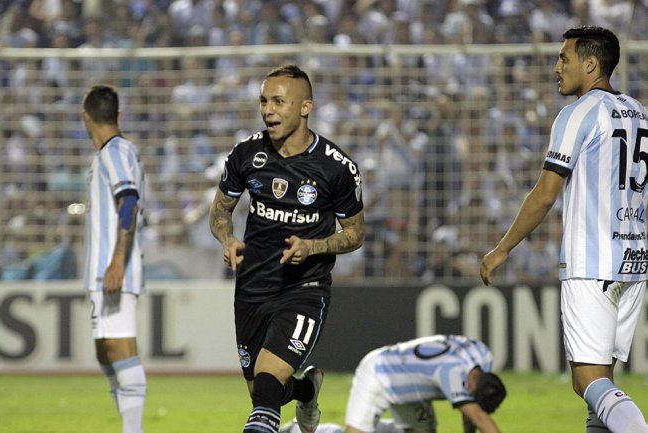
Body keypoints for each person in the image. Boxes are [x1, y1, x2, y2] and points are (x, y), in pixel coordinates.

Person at [481, 26, 648, 433]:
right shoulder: (640, 112)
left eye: (564, 58)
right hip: (633, 263)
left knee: (587, 381)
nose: (556, 67)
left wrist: (501, 249)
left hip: (591, 264)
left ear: (591, 64)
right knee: (602, 389)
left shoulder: (578, 113)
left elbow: (545, 193)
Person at [210, 64, 365, 433]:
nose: (268, 110)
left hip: (303, 289)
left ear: (305, 107)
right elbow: (220, 211)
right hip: (251, 288)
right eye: (264, 100)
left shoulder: (336, 167)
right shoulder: (246, 153)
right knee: (263, 391)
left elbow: (355, 232)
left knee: (265, 391)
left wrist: (313, 247)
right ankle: (307, 390)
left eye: (279, 101)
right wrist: (227, 238)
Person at [82, 84, 146, 433]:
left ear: (85, 117)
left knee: (119, 349)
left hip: (115, 270)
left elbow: (130, 202)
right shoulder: (113, 152)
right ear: (118, 115)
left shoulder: (116, 152)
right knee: (105, 352)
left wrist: (118, 260)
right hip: (104, 272)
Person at [280, 335, 506, 433]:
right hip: (380, 373)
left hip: (413, 380)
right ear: (472, 384)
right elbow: (476, 416)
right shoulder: (449, 374)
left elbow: (472, 412)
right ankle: (296, 431)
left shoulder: (481, 355)